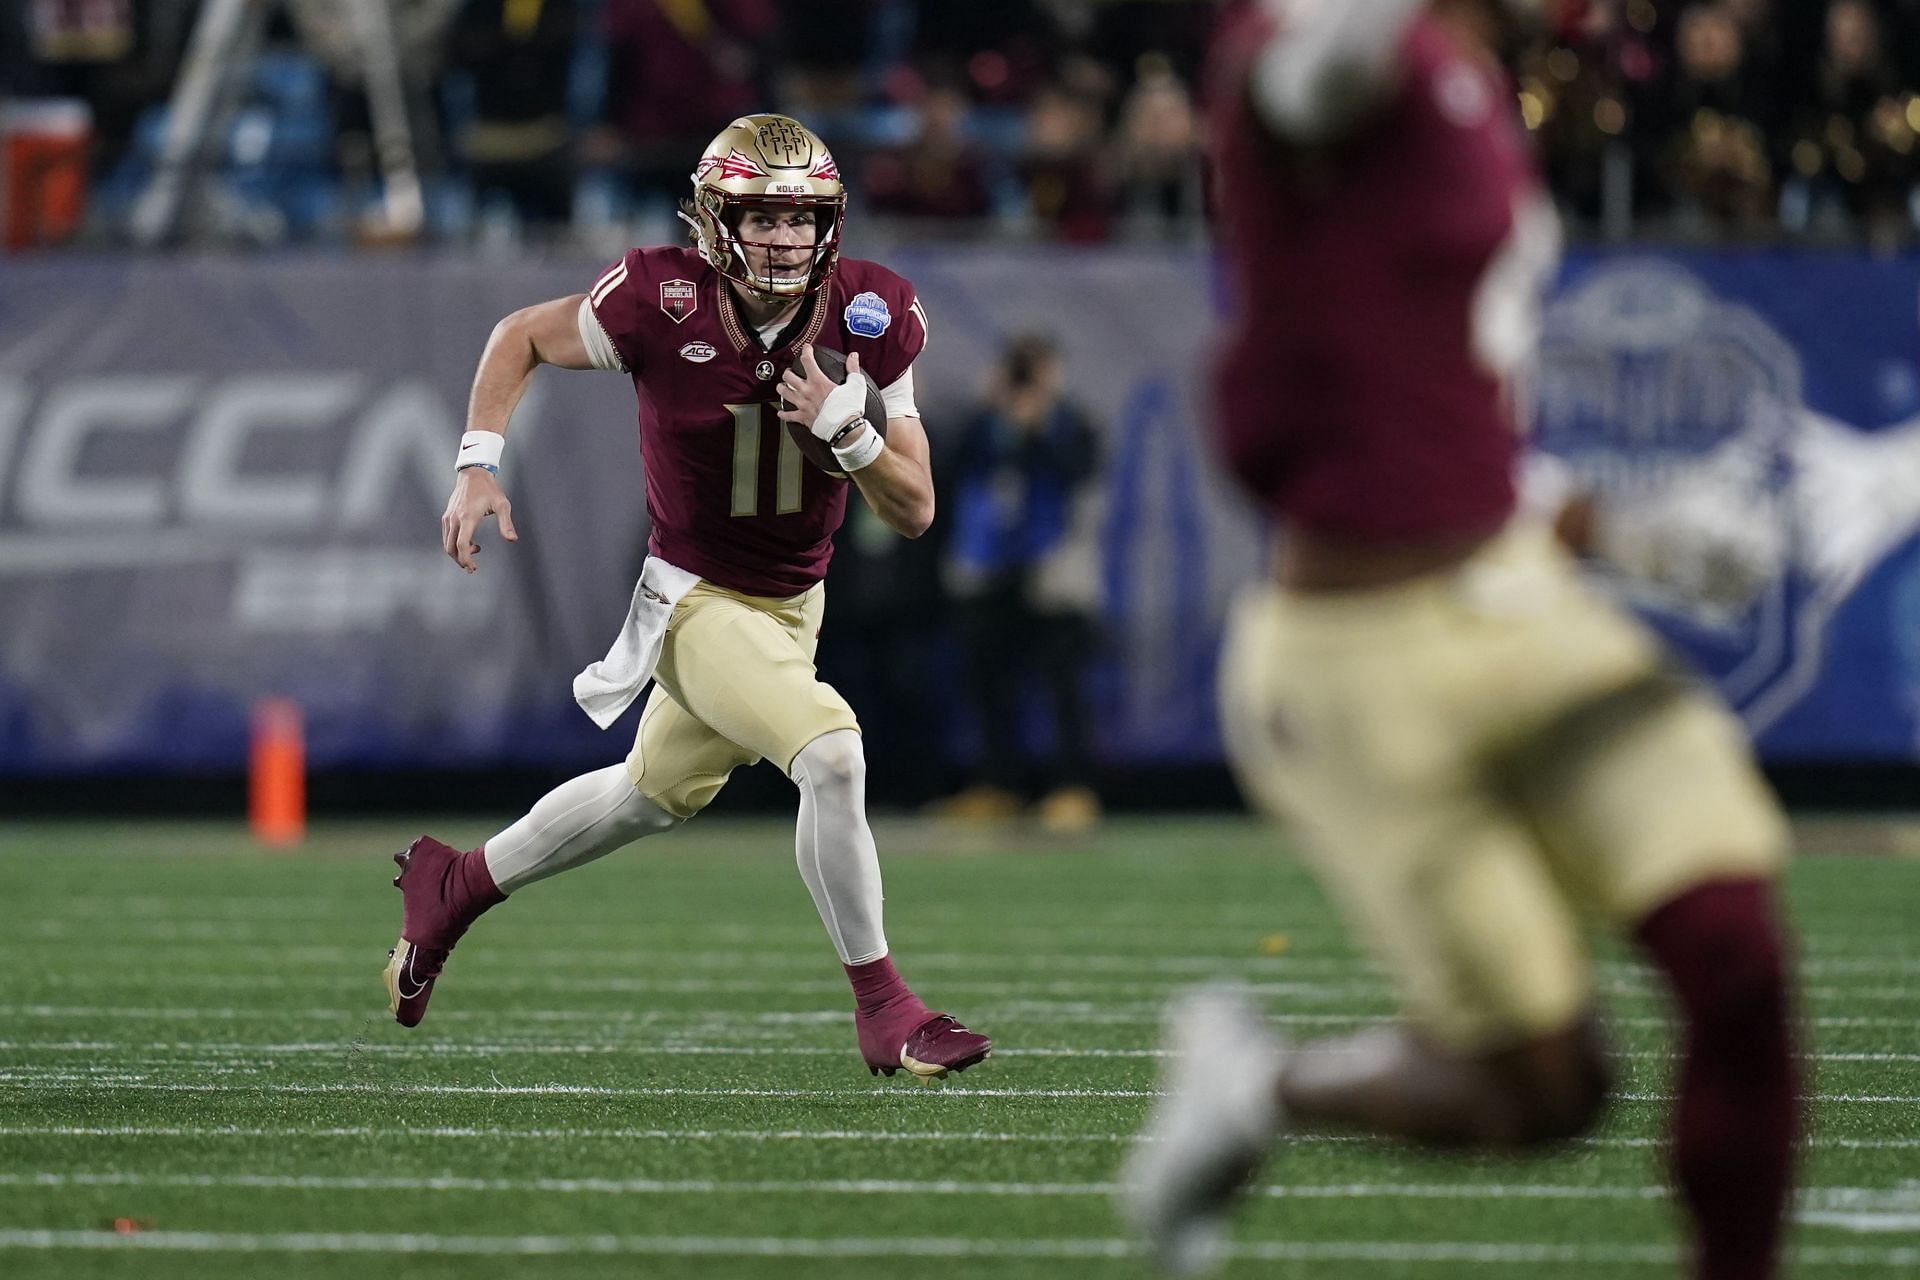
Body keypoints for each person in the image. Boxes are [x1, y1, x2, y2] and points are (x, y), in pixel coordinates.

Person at [1120, 3, 1799, 1277]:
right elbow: (1313, 74)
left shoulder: (1474, 77)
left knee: (1738, 952)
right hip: (1353, 662)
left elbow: (1439, 413)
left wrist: (1625, 534)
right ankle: (1258, 1087)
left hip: (1524, 601)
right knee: (1547, 1088)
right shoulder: (1318, 51)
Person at [384, 112, 991, 1082]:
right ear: (717, 220)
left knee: (644, 795)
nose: (787, 239)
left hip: (797, 603)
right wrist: (476, 464)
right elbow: (520, 338)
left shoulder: (874, 312)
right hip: (698, 596)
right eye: (763, 217)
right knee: (832, 753)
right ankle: (885, 1006)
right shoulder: (662, 299)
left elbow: (914, 506)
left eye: (805, 220)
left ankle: (452, 887)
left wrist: (852, 429)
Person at [934, 332, 1105, 833]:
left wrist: (1042, 424)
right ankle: (997, 784)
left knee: (1063, 687)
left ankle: (1072, 786)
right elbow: (944, 466)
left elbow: (1081, 471)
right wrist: (987, 408)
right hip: (987, 567)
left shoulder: (1072, 421)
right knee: (988, 683)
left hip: (1053, 570)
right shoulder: (982, 422)